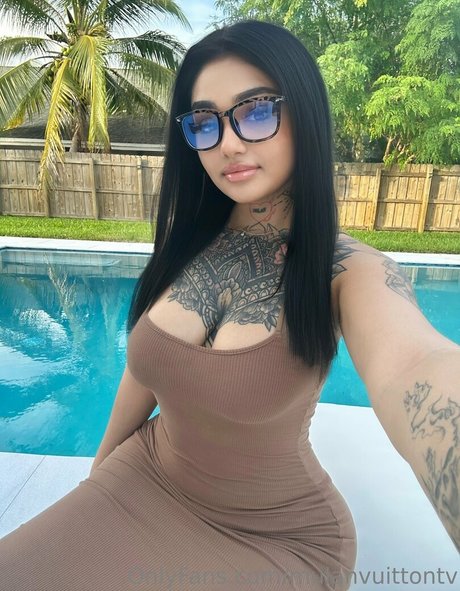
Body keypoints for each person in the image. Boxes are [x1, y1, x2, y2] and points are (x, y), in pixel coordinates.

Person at [1, 19, 459, 591]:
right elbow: (142, 375)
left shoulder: (348, 271)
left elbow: (415, 365)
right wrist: (98, 478)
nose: (229, 142)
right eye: (204, 122)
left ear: (304, 115)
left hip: (275, 536)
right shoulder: (187, 244)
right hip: (144, 475)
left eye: (257, 110)